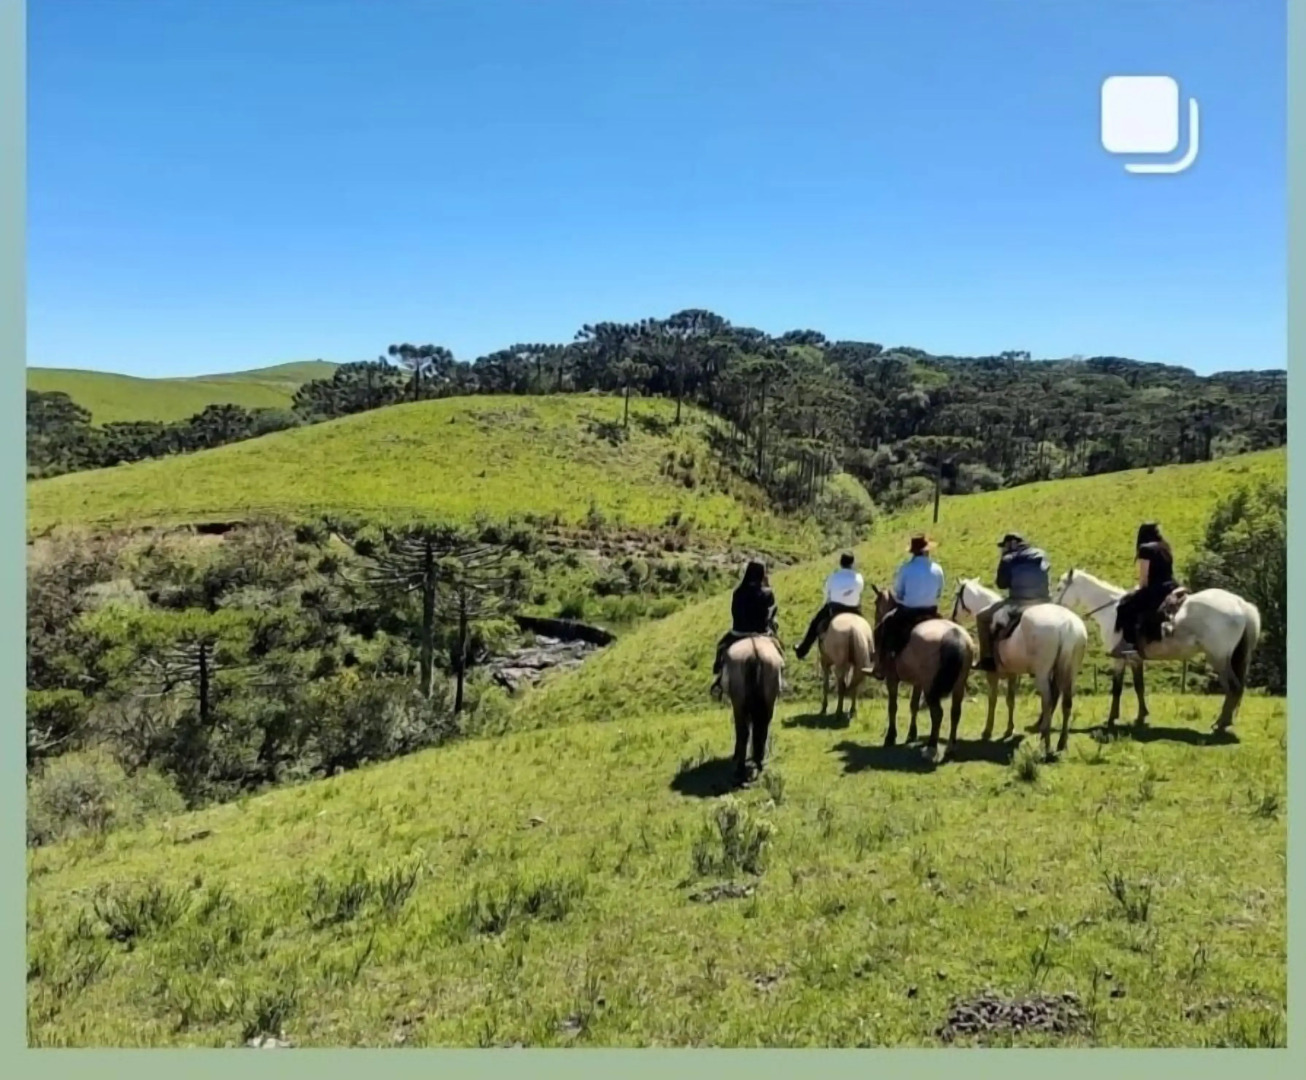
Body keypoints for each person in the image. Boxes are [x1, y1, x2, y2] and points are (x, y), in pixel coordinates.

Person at [869, 534, 946, 679]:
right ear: (926, 551)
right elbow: (940, 591)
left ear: (913, 552)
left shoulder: (905, 569)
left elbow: (899, 593)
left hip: (909, 612)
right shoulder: (938, 569)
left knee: (882, 628)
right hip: (931, 611)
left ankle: (880, 666)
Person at [975, 532, 1051, 673]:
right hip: (1044, 601)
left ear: (1011, 544)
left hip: (1019, 601)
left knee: (982, 617)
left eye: (1004, 546)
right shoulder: (1042, 554)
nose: (1002, 549)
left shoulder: (1008, 558)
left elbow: (1001, 584)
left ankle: (987, 658)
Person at [710, 560, 779, 699]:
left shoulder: (738, 592)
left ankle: (718, 677)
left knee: (721, 646)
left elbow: (734, 612)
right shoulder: (767, 593)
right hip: (761, 633)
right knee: (778, 650)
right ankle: (780, 677)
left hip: (739, 632)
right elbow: (770, 615)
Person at [1111, 522, 1180, 659]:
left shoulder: (1145, 549)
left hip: (1156, 590)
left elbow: (1144, 579)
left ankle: (1129, 645)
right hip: (1172, 587)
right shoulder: (1166, 547)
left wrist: (1138, 590)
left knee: (1124, 607)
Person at [793, 552, 864, 661]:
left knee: (815, 623)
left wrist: (827, 603)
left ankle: (802, 651)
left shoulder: (833, 577)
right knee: (865, 629)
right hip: (854, 610)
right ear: (852, 563)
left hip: (835, 608)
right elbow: (859, 592)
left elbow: (826, 594)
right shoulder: (859, 578)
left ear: (841, 563)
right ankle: (871, 656)